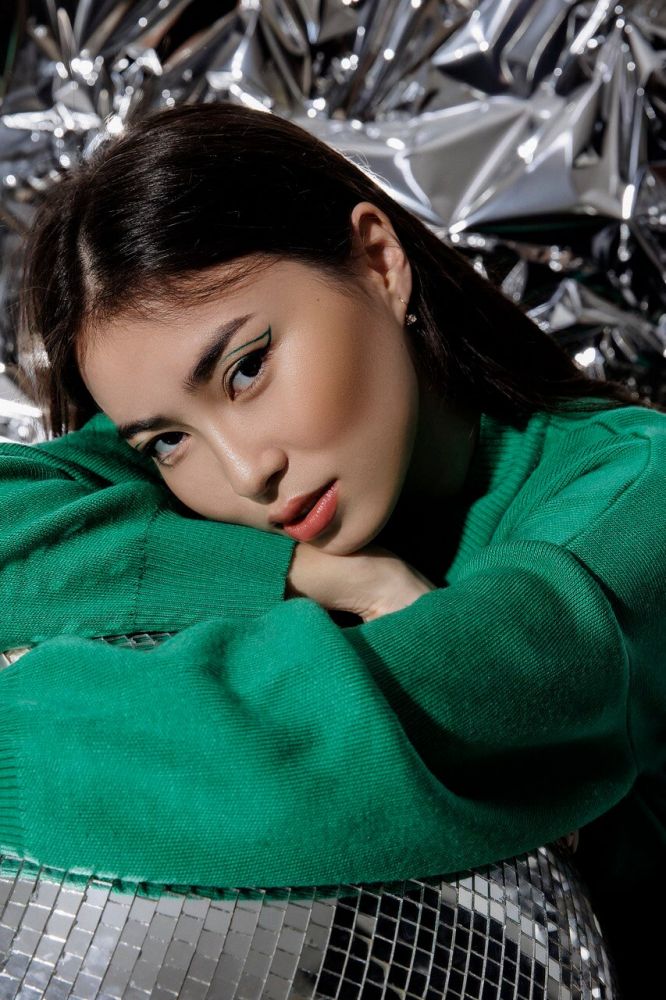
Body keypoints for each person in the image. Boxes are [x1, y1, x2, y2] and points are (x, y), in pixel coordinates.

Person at [1, 102, 664, 995]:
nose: (246, 472)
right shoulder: (245, 499)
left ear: (379, 262)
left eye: (246, 368)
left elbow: (287, 750)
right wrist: (299, 570)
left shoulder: (633, 508)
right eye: (167, 440)